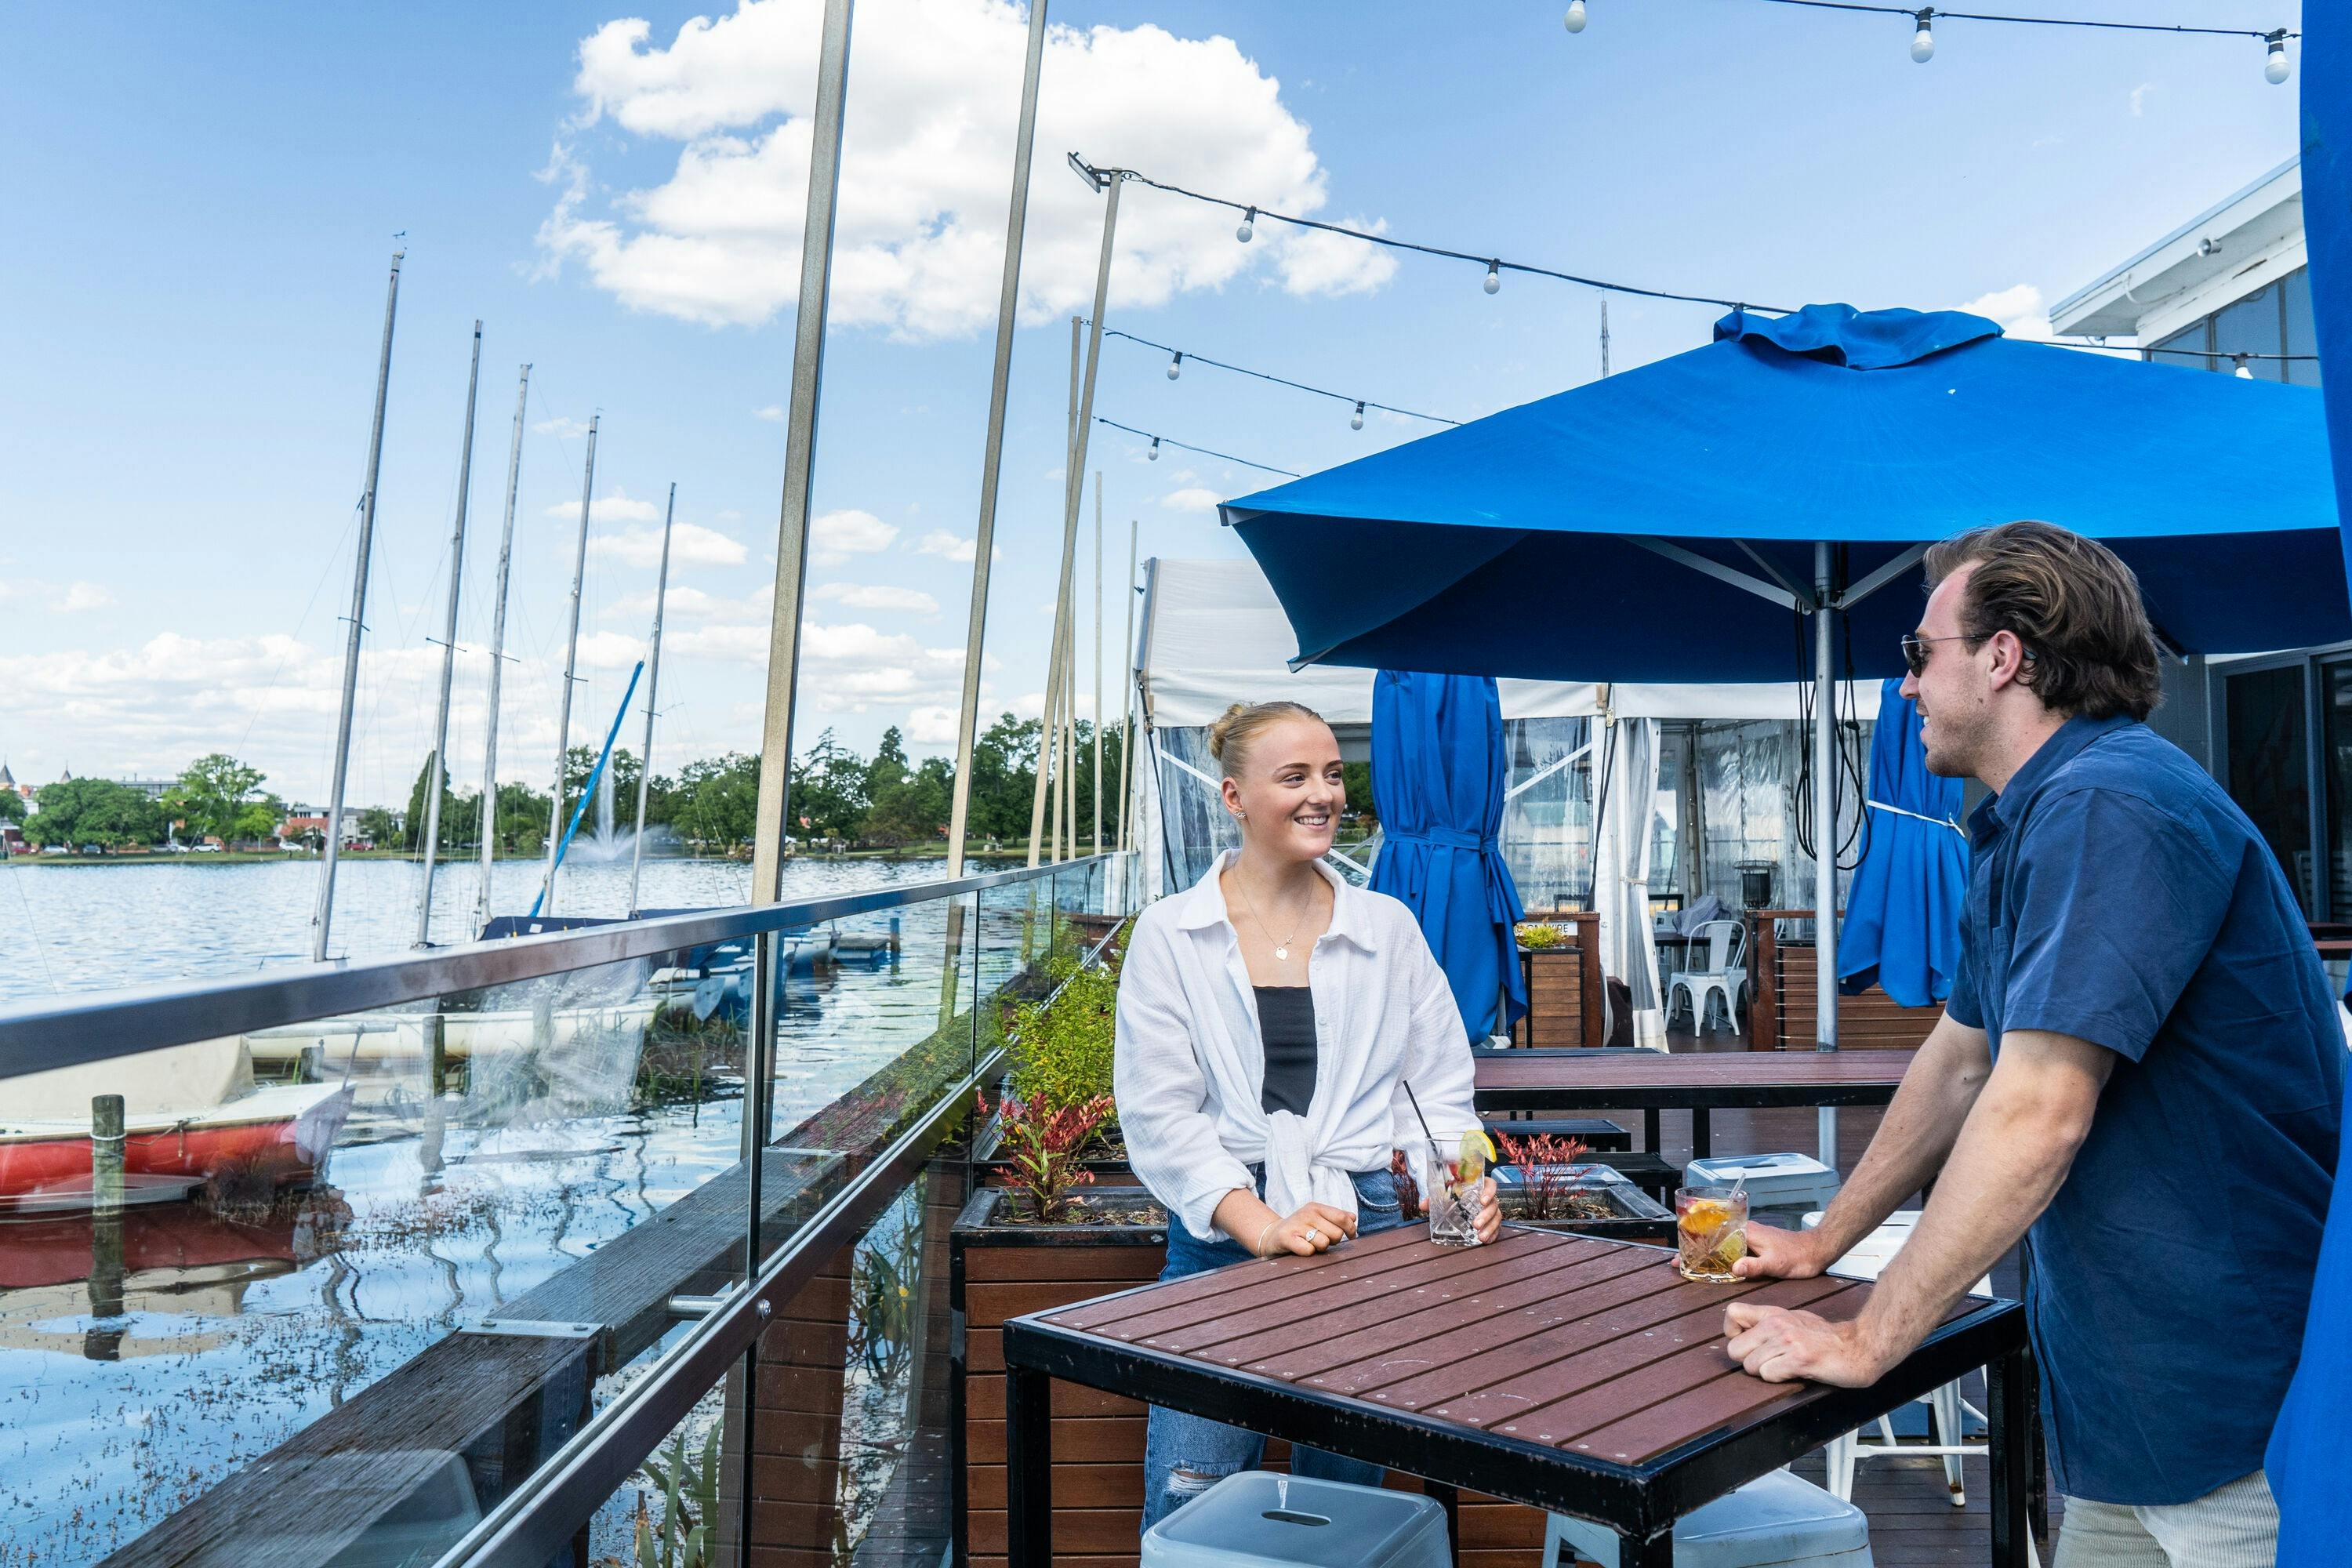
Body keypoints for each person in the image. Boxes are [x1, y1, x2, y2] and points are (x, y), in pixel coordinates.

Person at [1723, 521, 2341, 1566]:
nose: (1908, 685)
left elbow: (2039, 1108)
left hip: (2233, 1406)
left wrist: (1871, 1338)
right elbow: (1961, 1060)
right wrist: (1826, 1242)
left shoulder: (2112, 802)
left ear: (2004, 657)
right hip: (2127, 1413)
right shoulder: (2035, 818)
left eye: (1921, 654)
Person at [1113, 699, 1501, 1531]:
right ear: (1234, 797)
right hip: (1222, 1238)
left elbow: (1439, 1087)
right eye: (1295, 776)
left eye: (1332, 773)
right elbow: (1158, 1112)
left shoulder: (1387, 927)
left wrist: (1462, 1189)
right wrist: (1259, 1224)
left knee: (1347, 1510)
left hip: (1367, 1234)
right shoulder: (1171, 935)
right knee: (1195, 1500)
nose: (1323, 793)